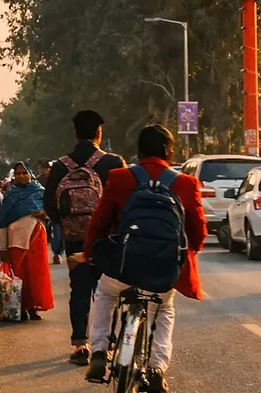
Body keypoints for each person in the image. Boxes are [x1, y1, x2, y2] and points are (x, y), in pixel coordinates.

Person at [83, 124, 207, 392]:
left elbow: (99, 223)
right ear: (168, 151)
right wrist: (188, 252)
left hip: (123, 266)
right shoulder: (186, 183)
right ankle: (157, 369)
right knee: (164, 308)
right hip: (162, 271)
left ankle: (99, 353)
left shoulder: (120, 177)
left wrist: (90, 252)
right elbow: (198, 232)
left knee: (104, 293)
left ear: (139, 151)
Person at [44, 110, 126, 365]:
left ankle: (80, 344)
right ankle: (106, 345)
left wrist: (68, 225)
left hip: (75, 239)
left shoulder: (60, 166)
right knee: (107, 291)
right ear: (99, 134)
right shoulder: (113, 163)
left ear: (75, 133)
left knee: (79, 289)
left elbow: (48, 204)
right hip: (107, 239)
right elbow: (126, 201)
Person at [0, 162, 55, 321]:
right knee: (19, 274)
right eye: (18, 173)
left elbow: (51, 211)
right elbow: (3, 221)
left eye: (24, 173)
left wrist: (44, 213)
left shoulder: (39, 192)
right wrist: (2, 247)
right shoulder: (10, 194)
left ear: (30, 174)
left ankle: (33, 308)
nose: (21, 176)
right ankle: (20, 308)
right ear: (14, 176)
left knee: (36, 274)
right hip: (15, 240)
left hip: (36, 237)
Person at [39, 159, 64, 264]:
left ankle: (58, 253)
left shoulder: (59, 179)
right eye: (46, 168)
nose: (48, 170)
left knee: (59, 233)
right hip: (44, 210)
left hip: (58, 210)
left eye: (50, 168)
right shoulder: (39, 181)